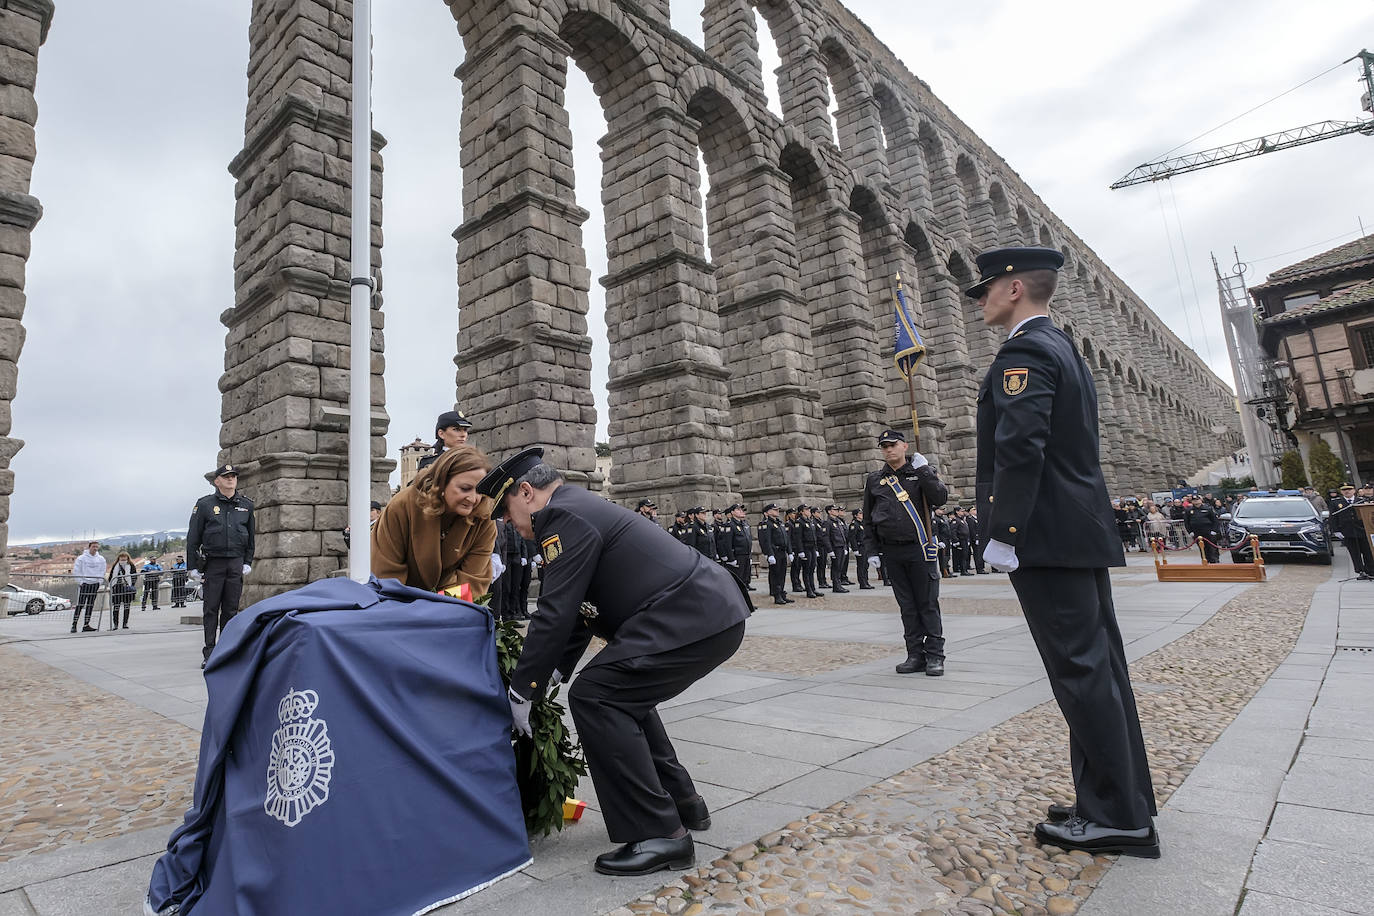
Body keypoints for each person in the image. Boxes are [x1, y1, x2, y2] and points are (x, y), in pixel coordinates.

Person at [478, 448, 749, 877]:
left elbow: (554, 611)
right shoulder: (576, 507)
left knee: (597, 696)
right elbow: (580, 607)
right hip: (701, 611)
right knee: (622, 694)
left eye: (507, 512)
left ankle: (660, 833)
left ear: (526, 492)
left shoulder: (560, 517)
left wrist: (522, 689)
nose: (509, 524)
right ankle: (683, 802)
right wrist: (553, 671)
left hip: (688, 615)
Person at [969, 245, 1158, 857]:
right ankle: (1117, 799)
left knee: (1080, 673)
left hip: (1046, 536)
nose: (980, 299)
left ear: (1014, 288)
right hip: (1074, 530)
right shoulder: (1061, 346)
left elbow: (1021, 447)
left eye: (986, 288)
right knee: (1099, 669)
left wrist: (1005, 532)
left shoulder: (1023, 352)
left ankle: (1118, 818)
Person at [862, 429, 949, 675]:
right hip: (892, 551)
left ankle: (935, 655)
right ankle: (915, 654)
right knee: (907, 606)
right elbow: (868, 518)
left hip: (919, 548)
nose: (888, 449)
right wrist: (872, 550)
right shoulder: (875, 479)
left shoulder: (920, 471)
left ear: (904, 446)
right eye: (884, 446)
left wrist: (925, 471)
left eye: (893, 444)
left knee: (927, 604)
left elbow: (940, 498)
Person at [371, 446, 496, 598]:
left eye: (480, 490)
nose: (473, 498)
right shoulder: (402, 506)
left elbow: (472, 583)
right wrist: (414, 608)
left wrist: (437, 607)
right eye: (465, 488)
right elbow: (386, 576)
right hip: (399, 602)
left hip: (451, 605)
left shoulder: (484, 518)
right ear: (442, 481)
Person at [187, 464, 256, 668]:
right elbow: (193, 538)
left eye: (233, 476)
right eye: (226, 476)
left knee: (231, 610)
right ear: (217, 481)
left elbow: (251, 538)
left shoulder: (246, 505)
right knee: (211, 609)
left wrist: (247, 561)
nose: (230, 479)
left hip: (235, 563)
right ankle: (210, 653)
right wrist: (193, 567)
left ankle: (226, 652)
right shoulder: (205, 505)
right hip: (213, 563)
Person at [1330, 484, 1372, 578]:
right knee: (1355, 553)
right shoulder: (1336, 502)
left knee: (1367, 552)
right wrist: (1336, 531)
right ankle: (1360, 571)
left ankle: (1370, 570)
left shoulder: (1361, 501)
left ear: (1354, 491)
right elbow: (1333, 517)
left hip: (1362, 531)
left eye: (1349, 489)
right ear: (1341, 491)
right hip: (1347, 531)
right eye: (1344, 490)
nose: (1347, 491)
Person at [758, 503, 791, 605]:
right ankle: (777, 595)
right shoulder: (766, 524)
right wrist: (769, 554)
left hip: (782, 551)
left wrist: (790, 551)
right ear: (767, 512)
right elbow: (766, 541)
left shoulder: (779, 523)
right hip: (775, 552)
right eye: (774, 509)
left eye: (777, 509)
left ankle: (782, 593)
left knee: (782, 574)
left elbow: (786, 538)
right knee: (775, 574)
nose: (777, 511)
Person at [71, 541, 106, 633]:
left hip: (95, 584)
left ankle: (86, 625)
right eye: (93, 546)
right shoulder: (81, 558)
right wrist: (81, 582)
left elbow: (102, 570)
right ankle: (74, 624)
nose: (95, 548)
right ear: (89, 547)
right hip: (85, 584)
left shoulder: (101, 559)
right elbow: (76, 571)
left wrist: (99, 582)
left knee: (90, 605)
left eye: (96, 547)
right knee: (80, 604)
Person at [794, 505, 820, 598]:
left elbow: (814, 537)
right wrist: (800, 551)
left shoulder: (810, 521)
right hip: (805, 548)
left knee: (812, 569)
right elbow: (798, 538)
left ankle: (813, 589)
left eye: (809, 509)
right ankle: (809, 590)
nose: (809, 511)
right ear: (801, 511)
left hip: (812, 548)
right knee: (807, 570)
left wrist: (816, 549)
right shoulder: (799, 522)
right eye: (806, 509)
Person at [1184, 496, 1220, 563]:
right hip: (1197, 532)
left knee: (1212, 547)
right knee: (1202, 547)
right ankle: (1205, 560)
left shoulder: (1208, 509)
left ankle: (1214, 560)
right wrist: (1190, 531)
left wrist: (1214, 530)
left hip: (1208, 531)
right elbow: (1187, 522)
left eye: (1197, 500)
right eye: (1194, 500)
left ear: (1201, 500)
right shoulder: (1189, 510)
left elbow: (1215, 520)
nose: (1196, 501)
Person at [108, 551, 138, 630]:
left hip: (127, 588)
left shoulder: (131, 565)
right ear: (119, 558)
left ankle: (125, 623)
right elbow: (111, 576)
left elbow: (134, 576)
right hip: (117, 588)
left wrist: (131, 584)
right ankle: (115, 624)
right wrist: (112, 585)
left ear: (127, 557)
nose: (123, 558)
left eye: (124, 557)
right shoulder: (115, 566)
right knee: (116, 607)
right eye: (121, 557)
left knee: (126, 606)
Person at [824, 505, 849, 593]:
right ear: (829, 511)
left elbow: (842, 535)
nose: (837, 511)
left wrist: (845, 546)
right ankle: (836, 586)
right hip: (835, 548)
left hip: (841, 547)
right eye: (834, 510)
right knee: (836, 567)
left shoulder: (838, 521)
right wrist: (830, 550)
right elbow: (826, 537)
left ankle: (839, 584)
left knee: (840, 567)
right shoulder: (828, 523)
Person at [728, 504, 753, 590]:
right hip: (738, 555)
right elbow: (727, 543)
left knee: (745, 577)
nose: (741, 511)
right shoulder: (730, 525)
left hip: (746, 554)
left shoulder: (743, 524)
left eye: (741, 510)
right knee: (739, 578)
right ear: (732, 512)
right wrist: (731, 558)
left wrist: (750, 555)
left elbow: (748, 540)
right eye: (738, 510)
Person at [849, 509, 874, 589]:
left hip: (865, 547)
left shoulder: (862, 523)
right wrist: (855, 549)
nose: (862, 514)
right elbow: (852, 538)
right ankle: (862, 583)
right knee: (861, 566)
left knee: (866, 565)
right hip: (860, 547)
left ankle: (866, 581)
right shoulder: (854, 524)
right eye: (860, 513)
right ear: (855, 515)